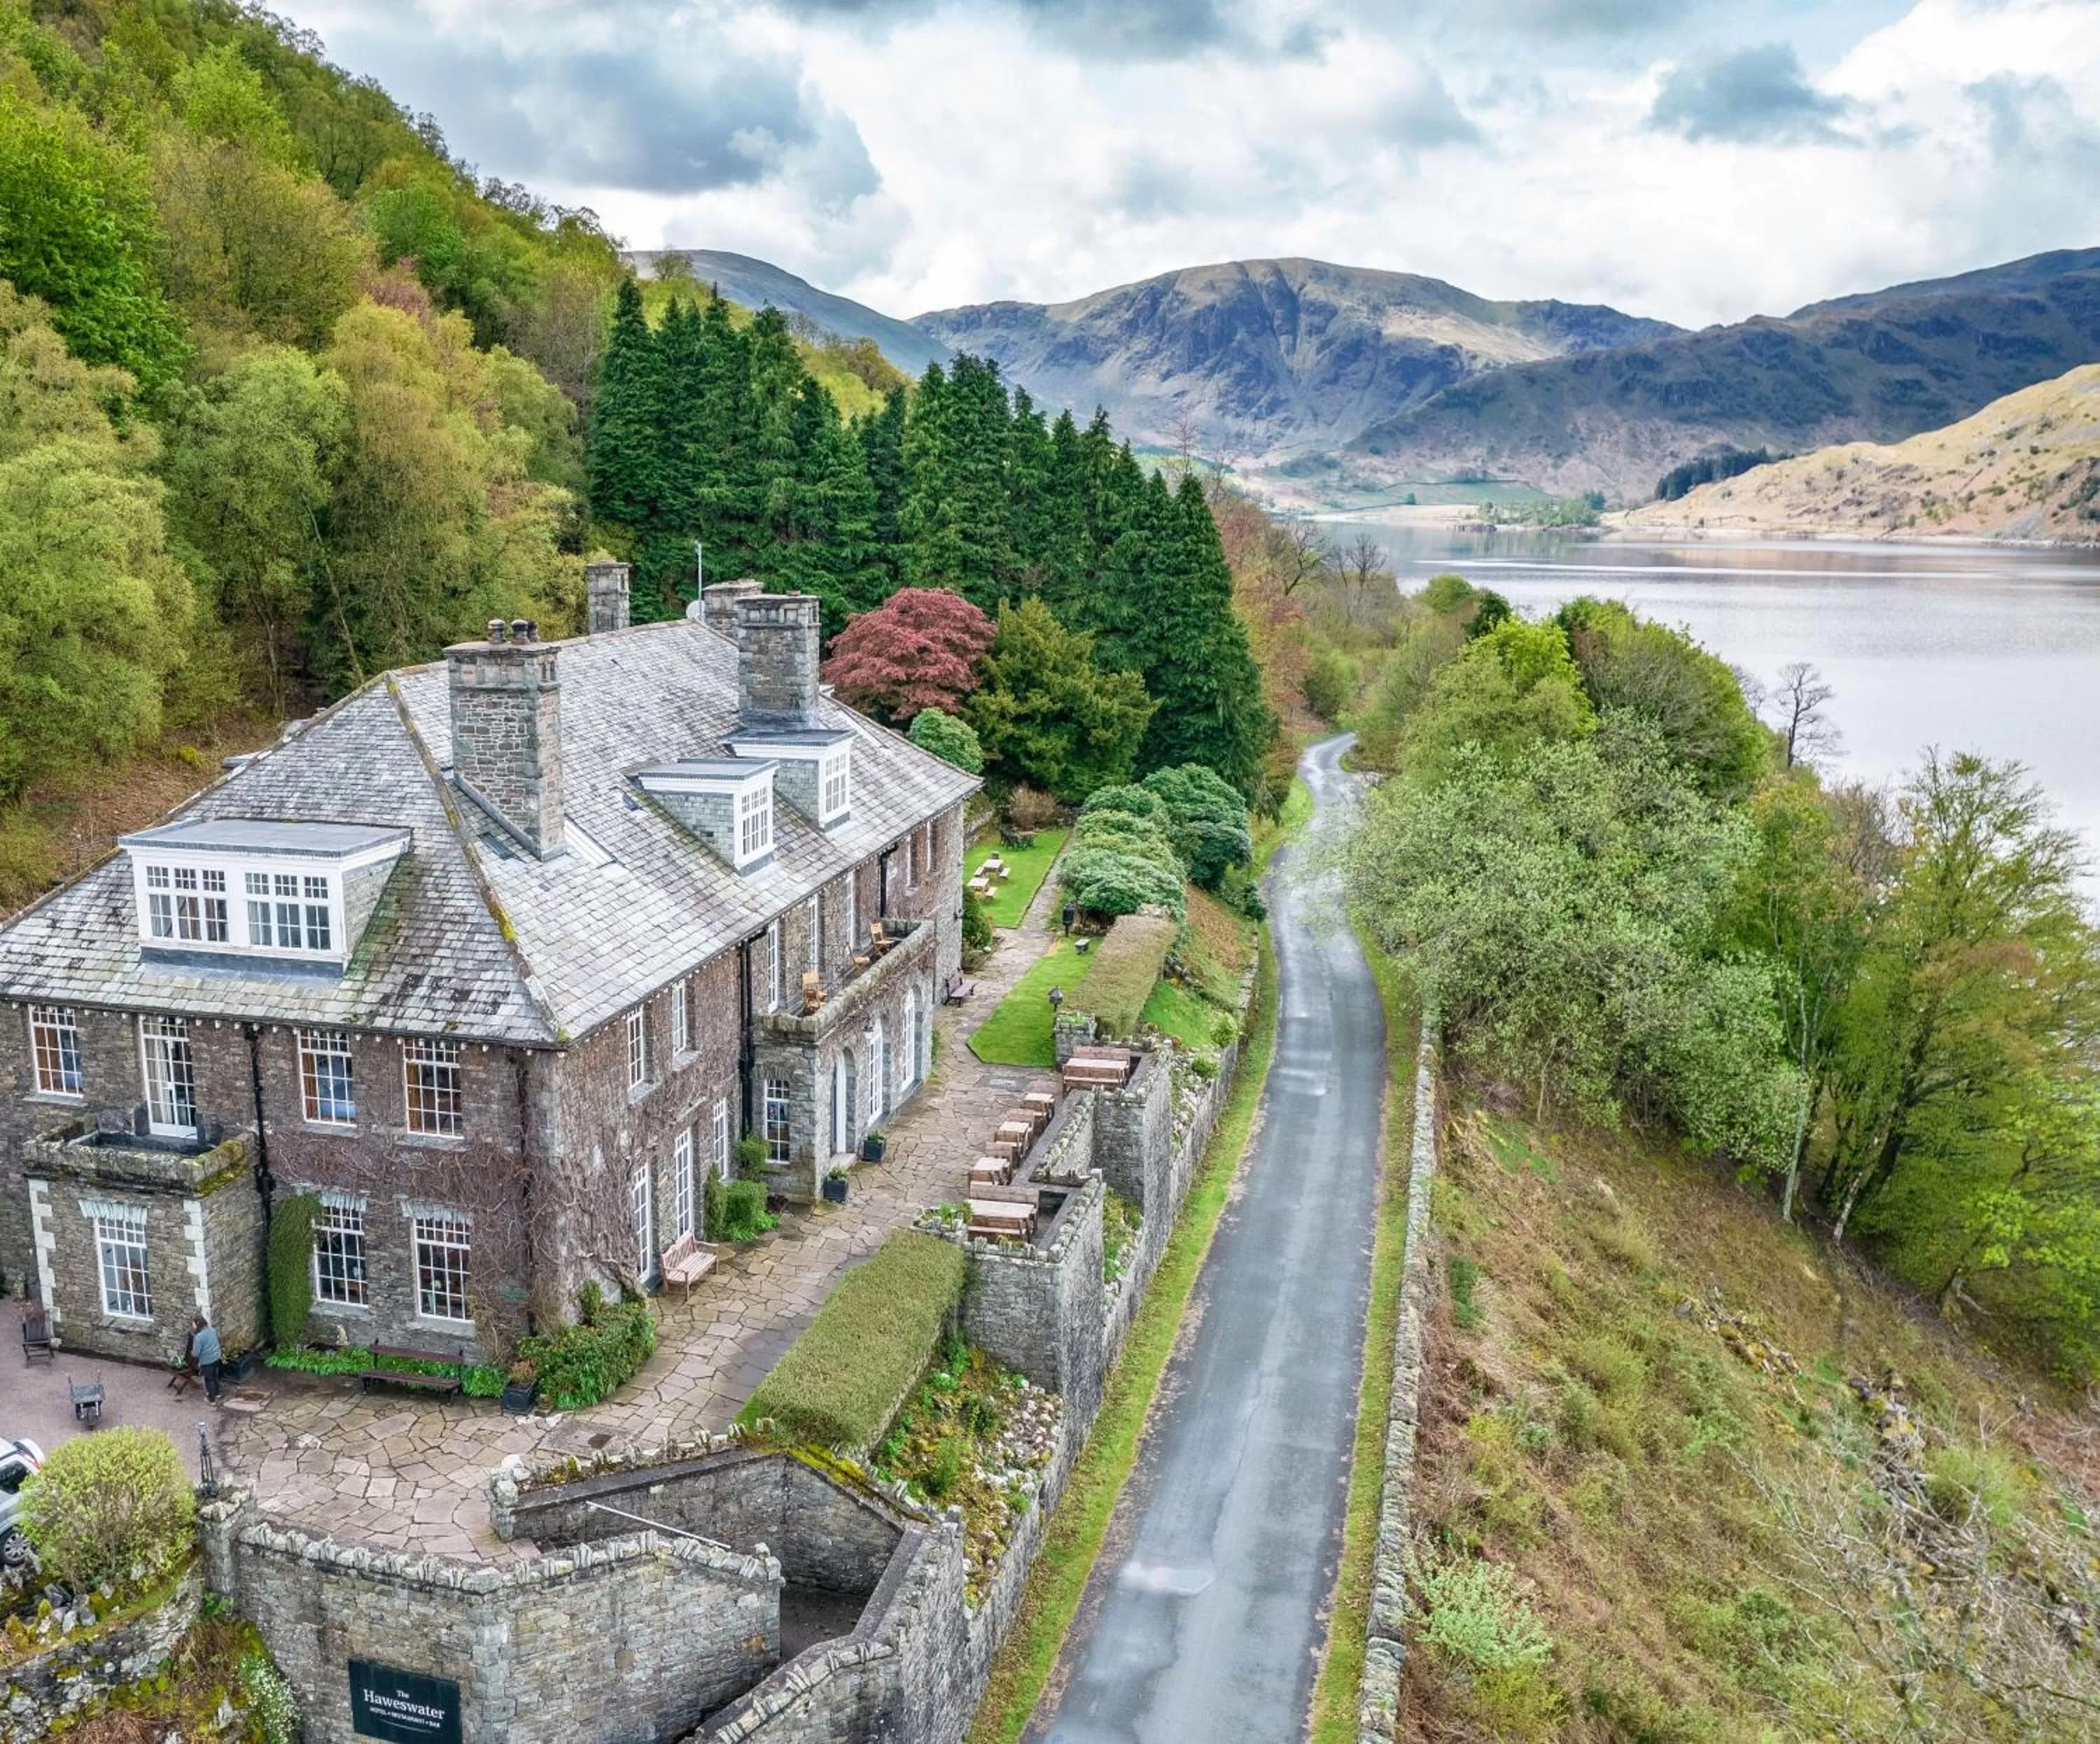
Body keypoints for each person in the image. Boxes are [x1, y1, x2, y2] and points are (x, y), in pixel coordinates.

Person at [189, 1314, 222, 1404]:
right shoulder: (212, 1330)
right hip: (217, 1357)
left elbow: (196, 1353)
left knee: (209, 1379)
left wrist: (191, 1354)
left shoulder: (199, 1337)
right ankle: (217, 1393)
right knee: (215, 1376)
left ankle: (212, 1400)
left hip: (207, 1361)